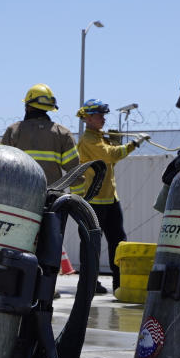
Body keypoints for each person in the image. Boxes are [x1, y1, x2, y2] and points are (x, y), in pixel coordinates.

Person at [73, 99, 148, 295]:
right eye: (99, 116)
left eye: (103, 115)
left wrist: (114, 140)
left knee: (118, 242)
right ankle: (89, 283)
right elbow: (111, 155)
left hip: (110, 199)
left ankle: (119, 284)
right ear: (88, 118)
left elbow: (110, 158)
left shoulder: (99, 138)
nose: (103, 119)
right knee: (92, 244)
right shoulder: (88, 141)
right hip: (94, 201)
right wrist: (134, 144)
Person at [1, 84, 79, 185]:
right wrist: (77, 197)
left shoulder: (13, 131)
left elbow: (0, 166)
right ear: (49, 108)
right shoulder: (63, 133)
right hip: (51, 197)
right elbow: (75, 173)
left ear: (27, 107)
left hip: (18, 196)